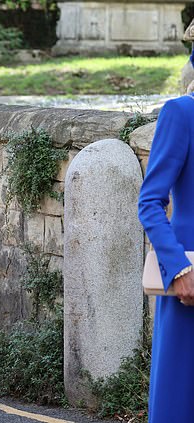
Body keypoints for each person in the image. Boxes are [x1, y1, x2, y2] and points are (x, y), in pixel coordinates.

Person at [138, 95, 194, 419]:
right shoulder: (182, 113)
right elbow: (150, 202)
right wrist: (178, 268)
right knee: (180, 397)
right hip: (189, 276)